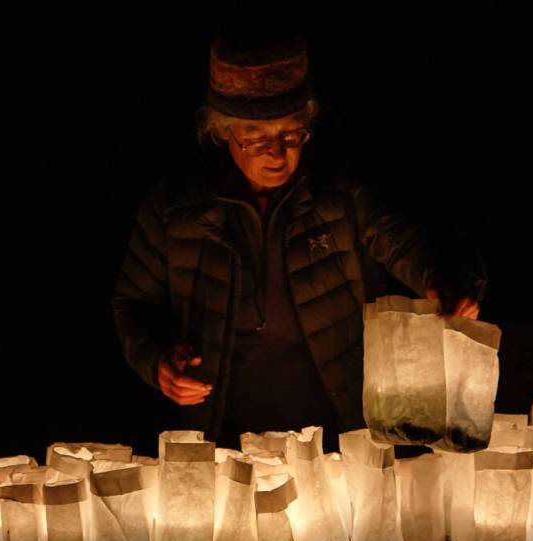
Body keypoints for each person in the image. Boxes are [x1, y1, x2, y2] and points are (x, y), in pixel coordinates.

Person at [113, 31, 485, 451]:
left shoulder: (339, 193)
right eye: (256, 137)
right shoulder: (175, 208)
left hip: (339, 445)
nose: (277, 153)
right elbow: (133, 303)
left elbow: (403, 241)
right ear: (222, 131)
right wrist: (158, 361)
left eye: (291, 135)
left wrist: (445, 278)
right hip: (223, 447)